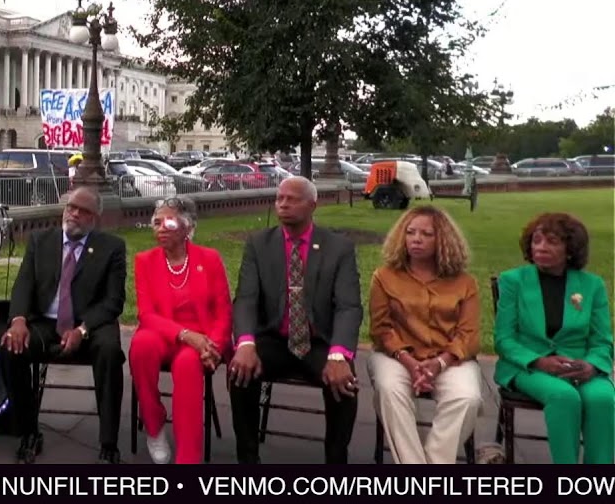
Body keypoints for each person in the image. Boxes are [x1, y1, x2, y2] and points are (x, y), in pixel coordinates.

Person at [228, 176, 362, 464]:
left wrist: (339, 355)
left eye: (292, 199)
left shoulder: (339, 248)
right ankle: (247, 460)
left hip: (318, 341)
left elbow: (348, 306)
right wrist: (245, 343)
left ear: (312, 205)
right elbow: (246, 298)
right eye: (279, 199)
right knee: (239, 372)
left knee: (344, 383)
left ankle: (336, 462)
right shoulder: (259, 245)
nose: (283, 204)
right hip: (274, 338)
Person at [0, 186, 128, 464]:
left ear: (95, 218)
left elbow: (114, 301)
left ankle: (109, 443)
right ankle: (29, 432)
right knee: (11, 348)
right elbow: (24, 285)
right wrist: (19, 320)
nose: (74, 214)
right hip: (45, 321)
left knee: (109, 351)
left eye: (83, 211)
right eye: (71, 207)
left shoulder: (112, 248)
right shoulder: (40, 241)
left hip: (91, 323)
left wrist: (82, 330)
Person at [366, 206, 482, 464]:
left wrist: (440, 363)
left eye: (426, 234)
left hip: (450, 359)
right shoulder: (384, 277)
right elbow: (381, 330)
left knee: (467, 397)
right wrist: (410, 362)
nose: (416, 239)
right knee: (389, 390)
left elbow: (469, 334)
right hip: (396, 356)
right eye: (410, 232)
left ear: (443, 240)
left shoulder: (465, 283)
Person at [494, 213, 613, 464]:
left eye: (551, 241)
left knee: (603, 398)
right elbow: (504, 339)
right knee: (564, 396)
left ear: (570, 249)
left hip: (580, 366)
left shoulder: (592, 286)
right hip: (527, 366)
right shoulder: (513, 281)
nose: (541, 247)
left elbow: (602, 340)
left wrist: (591, 366)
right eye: (536, 240)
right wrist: (540, 361)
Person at [129, 197, 231, 464]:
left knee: (187, 365)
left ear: (187, 227)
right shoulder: (145, 261)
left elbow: (223, 314)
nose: (161, 227)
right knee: (141, 346)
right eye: (156, 222)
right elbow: (146, 314)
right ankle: (154, 423)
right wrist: (186, 335)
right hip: (163, 333)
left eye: (169, 221)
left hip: (202, 338)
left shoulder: (209, 259)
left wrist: (213, 347)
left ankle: (188, 458)